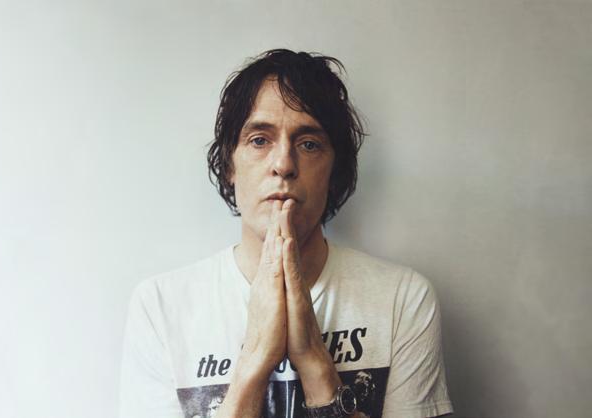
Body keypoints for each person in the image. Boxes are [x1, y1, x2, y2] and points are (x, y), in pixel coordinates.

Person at [119, 49, 454, 418]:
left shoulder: (402, 299)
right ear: (229, 163)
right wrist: (254, 359)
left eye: (308, 144)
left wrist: (313, 358)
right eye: (259, 140)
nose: (283, 164)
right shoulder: (161, 307)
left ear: (334, 170)